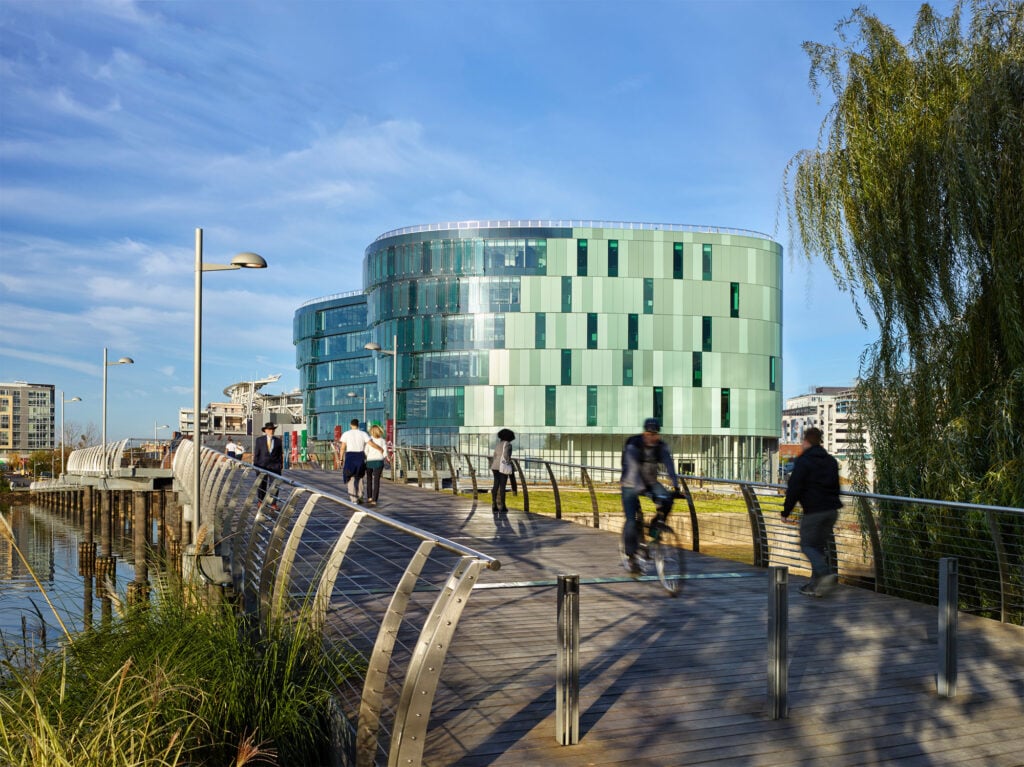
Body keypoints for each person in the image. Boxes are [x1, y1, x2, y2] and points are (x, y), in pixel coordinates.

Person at [782, 427, 841, 597]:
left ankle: (825, 574)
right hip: (831, 511)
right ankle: (816, 587)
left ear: (806, 441)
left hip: (814, 511)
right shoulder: (831, 460)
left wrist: (786, 511)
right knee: (818, 548)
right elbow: (836, 487)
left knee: (807, 545)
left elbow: (794, 488)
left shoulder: (804, 461)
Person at [621, 417, 681, 576]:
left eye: (655, 434)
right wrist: (644, 490)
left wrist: (675, 486)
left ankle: (655, 527)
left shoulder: (660, 447)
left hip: (650, 481)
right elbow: (633, 469)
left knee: (667, 500)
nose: (652, 437)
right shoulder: (634, 445)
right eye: (649, 433)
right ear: (644, 433)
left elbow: (669, 465)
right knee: (632, 521)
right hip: (630, 483)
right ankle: (631, 555)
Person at [252, 422, 283, 509]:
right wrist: (256, 466)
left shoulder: (278, 441)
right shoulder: (259, 440)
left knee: (275, 485)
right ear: (265, 430)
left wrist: (280, 465)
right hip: (261, 465)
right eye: (269, 429)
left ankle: (273, 503)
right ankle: (261, 501)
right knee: (262, 484)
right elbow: (257, 453)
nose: (271, 431)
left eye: (272, 429)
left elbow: (280, 454)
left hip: (275, 467)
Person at [339, 418, 370, 504]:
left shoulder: (346, 434)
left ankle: (353, 499)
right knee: (359, 477)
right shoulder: (363, 434)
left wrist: (341, 459)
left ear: (351, 425)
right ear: (358, 425)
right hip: (360, 456)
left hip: (350, 457)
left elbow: (342, 448)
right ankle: (360, 496)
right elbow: (368, 444)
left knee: (350, 478)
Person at [490, 428, 515, 515]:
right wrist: (510, 463)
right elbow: (506, 456)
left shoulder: (498, 444)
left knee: (496, 485)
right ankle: (503, 506)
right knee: (502, 487)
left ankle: (494, 504)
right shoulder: (508, 444)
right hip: (502, 467)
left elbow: (495, 455)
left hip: (495, 466)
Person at [363, 422, 388, 506]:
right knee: (376, 481)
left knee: (369, 479)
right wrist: (386, 458)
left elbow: (365, 451)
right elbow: (384, 452)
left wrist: (367, 457)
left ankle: (369, 497)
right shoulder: (382, 440)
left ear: (372, 432)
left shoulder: (369, 440)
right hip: (379, 461)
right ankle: (374, 499)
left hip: (370, 461)